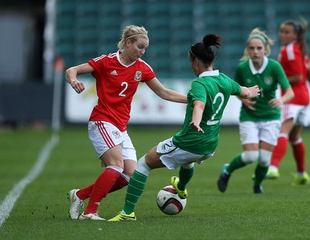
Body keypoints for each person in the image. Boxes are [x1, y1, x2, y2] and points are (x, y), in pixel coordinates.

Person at [107, 34, 260, 222]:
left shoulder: (200, 83)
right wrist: (252, 91)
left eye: (190, 61)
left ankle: (127, 213)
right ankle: (181, 186)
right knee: (187, 161)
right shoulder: (224, 80)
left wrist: (195, 121)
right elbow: (244, 92)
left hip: (190, 140)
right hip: (210, 145)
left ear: (196, 61)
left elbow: (199, 105)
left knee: (143, 164)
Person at [66, 25, 188, 220]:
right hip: (102, 120)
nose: (142, 51)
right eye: (140, 47)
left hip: (121, 127)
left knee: (129, 175)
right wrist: (73, 81)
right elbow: (72, 70)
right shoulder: (107, 61)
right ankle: (90, 212)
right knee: (115, 165)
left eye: (145, 48)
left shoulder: (143, 68)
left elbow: (164, 92)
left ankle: (79, 195)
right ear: (128, 43)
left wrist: (192, 99)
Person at [217, 28, 294, 194]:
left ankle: (257, 185)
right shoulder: (242, 68)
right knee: (251, 156)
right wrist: (243, 98)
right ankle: (227, 170)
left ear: (265, 49)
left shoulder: (274, 67)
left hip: (271, 116)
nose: (255, 51)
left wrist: (281, 100)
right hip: (249, 116)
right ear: (247, 49)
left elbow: (290, 92)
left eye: (259, 48)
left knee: (265, 160)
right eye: (252, 48)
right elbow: (234, 89)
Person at [266, 18, 310, 185]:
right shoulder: (301, 49)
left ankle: (273, 167)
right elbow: (309, 70)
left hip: (293, 97)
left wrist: (277, 80)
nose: (282, 34)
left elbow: (298, 76)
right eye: (281, 31)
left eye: (286, 32)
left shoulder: (289, 50)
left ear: (295, 35)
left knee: (283, 132)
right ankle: (301, 174)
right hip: (304, 97)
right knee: (295, 136)